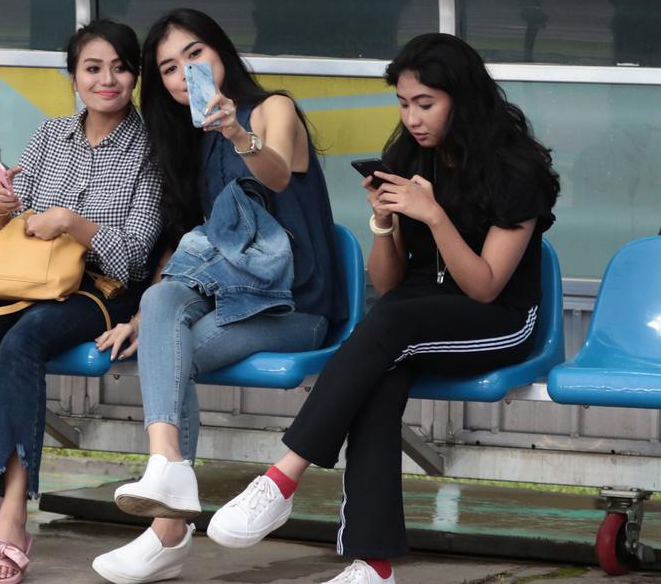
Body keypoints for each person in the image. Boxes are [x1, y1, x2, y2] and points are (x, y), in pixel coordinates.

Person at [199, 33, 560, 583]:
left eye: (426, 104)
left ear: (463, 99)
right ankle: (373, 565)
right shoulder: (410, 156)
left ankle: (282, 477)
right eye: (404, 103)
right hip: (414, 317)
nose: (412, 118)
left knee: (386, 329)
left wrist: (433, 214)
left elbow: (485, 288)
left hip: (498, 322)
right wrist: (385, 223)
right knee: (378, 378)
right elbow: (389, 285)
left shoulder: (517, 169)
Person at [92, 8, 347, 584]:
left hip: (294, 307)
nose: (185, 73)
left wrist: (236, 132)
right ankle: (167, 465)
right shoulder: (193, 142)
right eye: (168, 68)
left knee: (171, 354)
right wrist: (143, 315)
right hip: (230, 297)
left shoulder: (271, 109)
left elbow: (277, 173)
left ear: (221, 52)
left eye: (195, 55)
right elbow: (194, 238)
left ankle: (167, 531)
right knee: (158, 307)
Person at [0, 19, 162, 584]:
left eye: (120, 68)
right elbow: (0, 233)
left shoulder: (151, 147)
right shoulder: (51, 135)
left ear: (135, 76)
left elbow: (135, 256)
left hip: (97, 290)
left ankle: (11, 513)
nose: (107, 80)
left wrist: (74, 223)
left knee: (23, 343)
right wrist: (1, 207)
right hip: (21, 282)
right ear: (74, 76)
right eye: (92, 68)